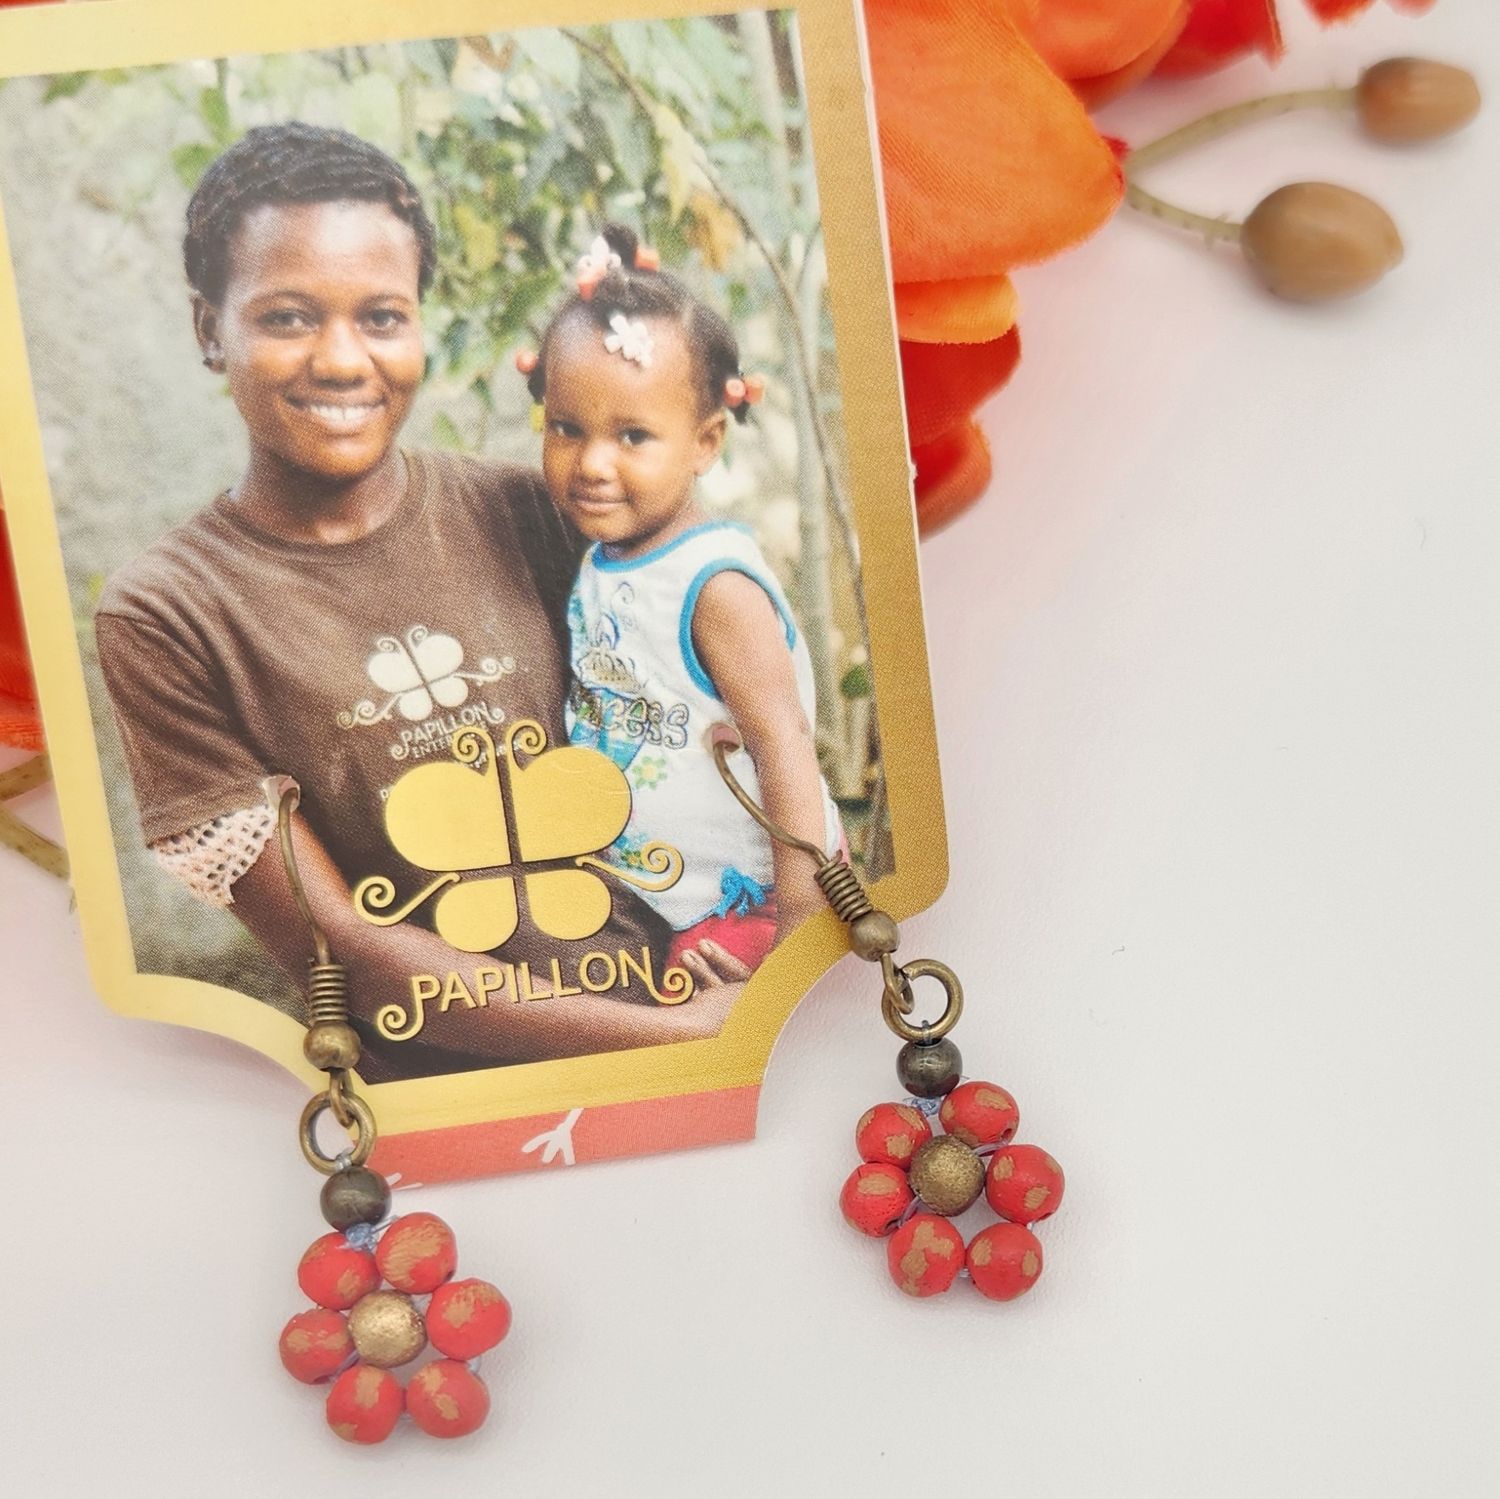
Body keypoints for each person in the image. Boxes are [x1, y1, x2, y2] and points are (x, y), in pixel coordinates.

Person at [93, 124, 748, 1077]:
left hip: (700, 1004)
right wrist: (684, 1037)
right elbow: (346, 957)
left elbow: (704, 750)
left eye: (383, 316)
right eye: (286, 318)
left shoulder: (541, 514)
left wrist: (743, 930)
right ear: (209, 329)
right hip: (457, 1103)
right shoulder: (168, 615)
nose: (343, 359)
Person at [523, 225, 842, 973]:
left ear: (704, 442)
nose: (592, 463)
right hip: (664, 895)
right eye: (566, 428)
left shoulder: (715, 585)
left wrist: (799, 918)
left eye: (632, 435)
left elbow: (784, 744)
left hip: (750, 904)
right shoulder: (609, 554)